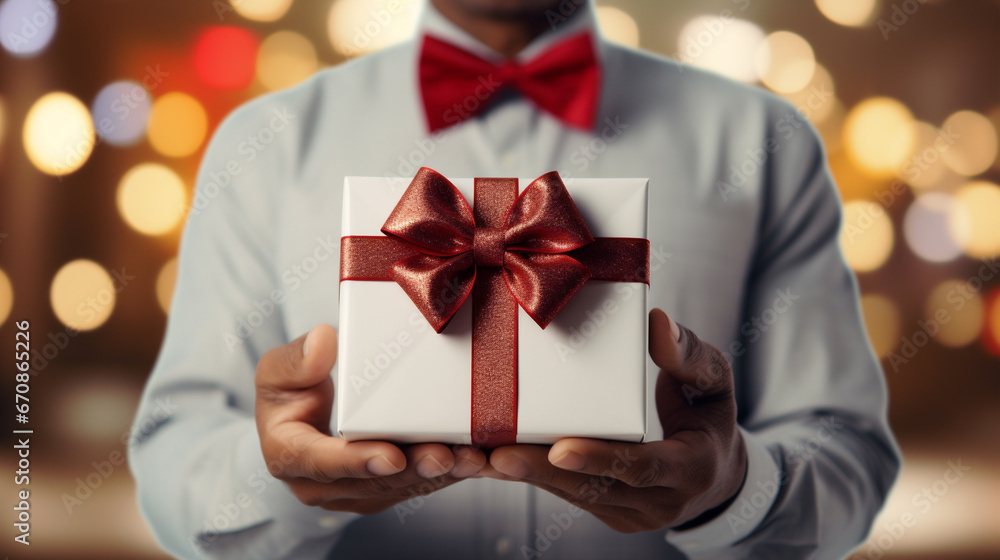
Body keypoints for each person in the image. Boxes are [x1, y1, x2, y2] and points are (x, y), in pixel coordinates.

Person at [129, 0, 901, 558]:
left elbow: (851, 462)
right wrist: (277, 479)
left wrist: (733, 486)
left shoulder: (764, 142)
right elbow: (173, 466)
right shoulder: (264, 143)